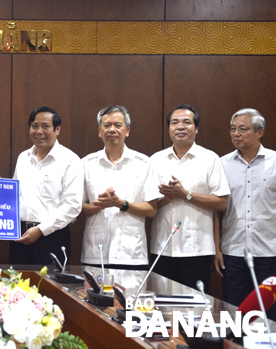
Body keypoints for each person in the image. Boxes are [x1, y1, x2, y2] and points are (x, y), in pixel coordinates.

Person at [0, 106, 83, 266]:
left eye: (45, 126)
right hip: (19, 235)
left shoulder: (70, 160)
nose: (39, 131)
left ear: (57, 129)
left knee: (49, 288)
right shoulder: (23, 157)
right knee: (16, 287)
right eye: (34, 126)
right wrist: (2, 186)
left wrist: (40, 230)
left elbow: (73, 206)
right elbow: (17, 196)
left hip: (51, 237)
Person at [150, 104, 229, 290]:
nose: (180, 127)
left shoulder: (210, 159)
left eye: (187, 122)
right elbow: (149, 206)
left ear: (196, 128)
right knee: (162, 307)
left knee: (194, 309)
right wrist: (167, 198)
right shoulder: (155, 160)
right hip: (162, 247)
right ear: (169, 128)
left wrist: (186, 195)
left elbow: (222, 203)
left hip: (197, 248)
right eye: (175, 122)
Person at [80, 105, 160, 270]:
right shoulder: (86, 164)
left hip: (131, 254)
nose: (112, 130)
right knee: (92, 296)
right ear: (99, 131)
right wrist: (98, 206)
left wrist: (122, 204)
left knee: (130, 296)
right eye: (107, 125)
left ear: (127, 130)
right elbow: (76, 207)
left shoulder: (144, 163)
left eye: (118, 125)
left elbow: (152, 209)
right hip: (95, 253)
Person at [214, 108, 276, 319]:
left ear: (260, 132)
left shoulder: (275, 162)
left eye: (243, 129)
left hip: (269, 251)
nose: (236, 134)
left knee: (269, 315)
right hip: (233, 251)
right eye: (233, 129)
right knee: (234, 312)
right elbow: (217, 210)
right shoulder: (222, 164)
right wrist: (217, 248)